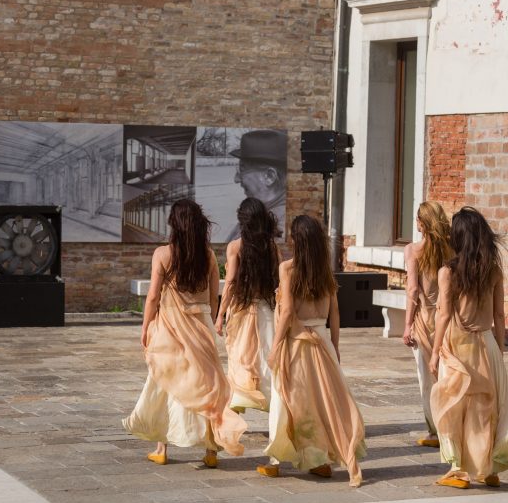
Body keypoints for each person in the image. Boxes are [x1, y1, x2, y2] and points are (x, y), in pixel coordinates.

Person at [122, 199, 247, 467]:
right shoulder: (208, 255)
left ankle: (162, 449)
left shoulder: (162, 254)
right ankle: (211, 450)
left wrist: (145, 326)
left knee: (164, 381)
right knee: (208, 384)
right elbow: (213, 295)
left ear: (174, 224)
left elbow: (153, 296)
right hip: (200, 323)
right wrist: (212, 320)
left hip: (170, 325)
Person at [429, 207, 508, 489]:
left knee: (454, 406)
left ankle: (458, 470)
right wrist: (499, 349)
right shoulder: (493, 270)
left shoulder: (448, 272)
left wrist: (434, 351)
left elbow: (443, 314)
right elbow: (500, 315)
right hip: (487, 342)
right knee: (487, 408)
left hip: (457, 344)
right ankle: (488, 468)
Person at [257, 215, 366, 487]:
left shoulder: (288, 269)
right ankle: (320, 461)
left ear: (298, 241)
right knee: (323, 403)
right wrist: (335, 346)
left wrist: (275, 346)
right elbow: (335, 312)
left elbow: (287, 312)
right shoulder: (324, 271)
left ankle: (276, 461)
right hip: (323, 341)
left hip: (297, 343)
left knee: (285, 400)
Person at [215, 197, 280, 414]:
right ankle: (274, 407)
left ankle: (236, 407)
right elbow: (278, 283)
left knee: (240, 359)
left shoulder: (236, 247)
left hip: (242, 310)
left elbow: (230, 283)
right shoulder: (272, 248)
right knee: (267, 361)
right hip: (267, 310)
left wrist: (220, 314)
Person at [402, 201, 453, 448]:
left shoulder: (413, 250)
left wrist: (407, 325)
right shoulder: (453, 250)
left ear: (422, 223)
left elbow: (413, 290)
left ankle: (435, 431)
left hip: (424, 319)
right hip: (449, 318)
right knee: (448, 374)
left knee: (426, 377)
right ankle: (452, 426)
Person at [226, 130, 287, 240]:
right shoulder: (261, 215)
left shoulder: (276, 229)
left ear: (269, 176)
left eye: (242, 169)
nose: (236, 179)